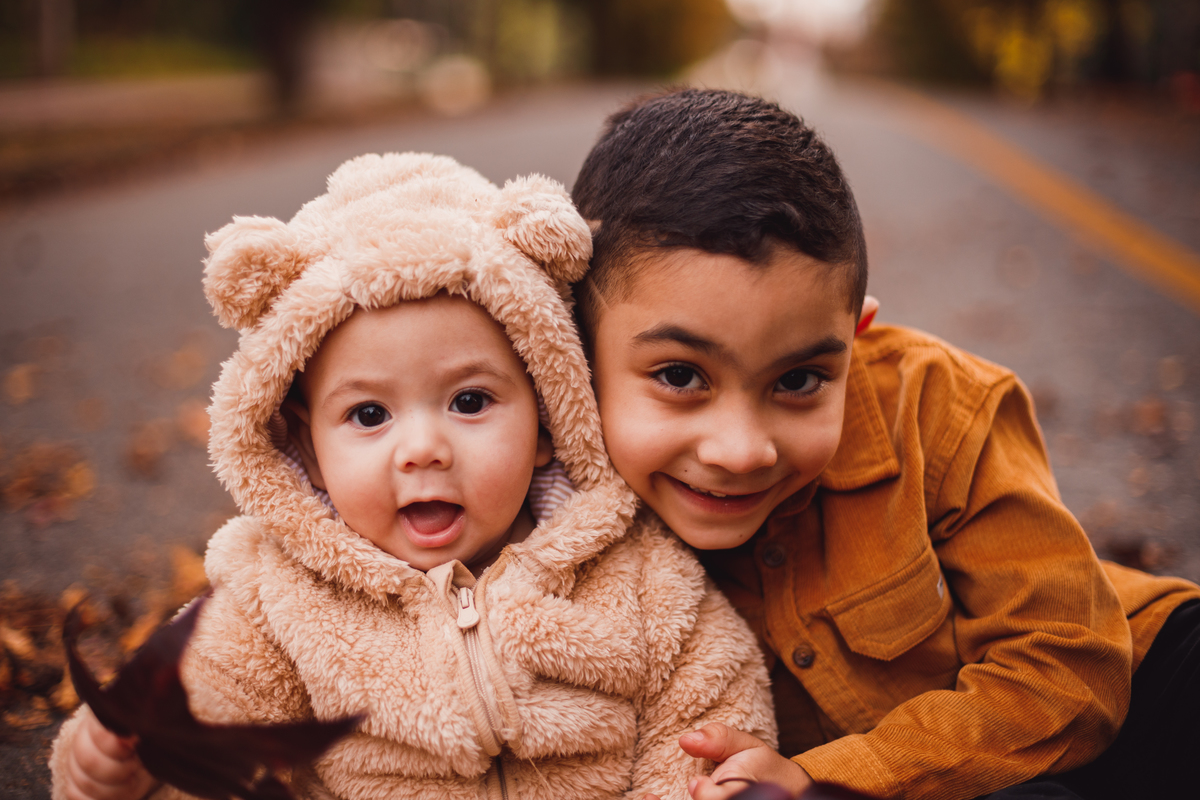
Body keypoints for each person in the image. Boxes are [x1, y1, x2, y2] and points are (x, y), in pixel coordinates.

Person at [51, 152, 776, 800]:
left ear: (550, 421)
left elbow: (708, 704)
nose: (422, 449)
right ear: (305, 448)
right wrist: (119, 767)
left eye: (470, 402)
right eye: (369, 415)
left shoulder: (640, 580)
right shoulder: (275, 600)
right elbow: (198, 712)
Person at [569, 88, 1200, 800]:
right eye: (681, 376)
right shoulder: (528, 473)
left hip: (1136, 677)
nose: (741, 451)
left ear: (855, 337)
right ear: (578, 346)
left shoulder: (939, 404)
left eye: (800, 379)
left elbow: (1070, 668)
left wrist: (822, 780)